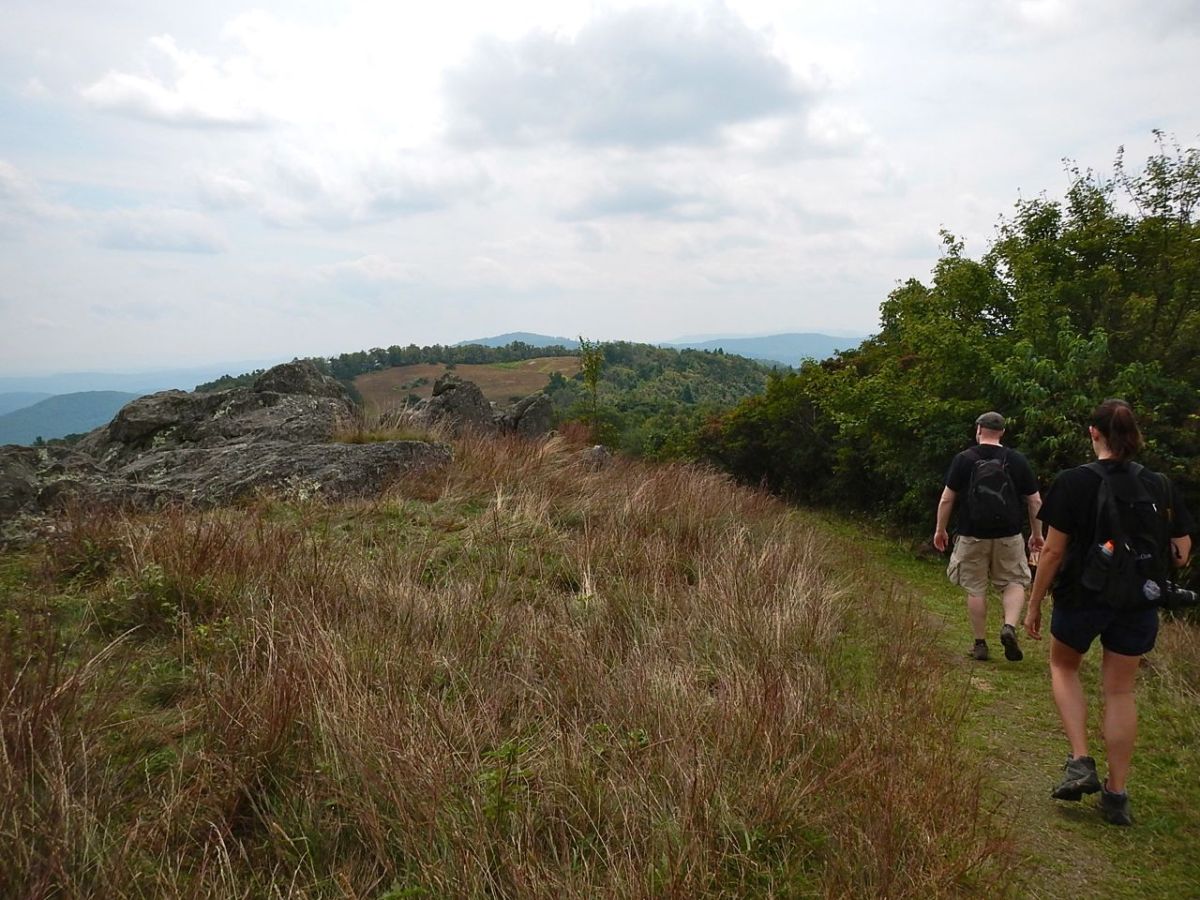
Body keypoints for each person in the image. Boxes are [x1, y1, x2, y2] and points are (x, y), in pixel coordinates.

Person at [1024, 399, 1193, 826]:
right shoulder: (1158, 484)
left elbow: (1054, 551)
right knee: (1120, 691)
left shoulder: (1073, 482)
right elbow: (1182, 551)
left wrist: (1034, 603)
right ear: (1134, 436)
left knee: (1064, 667)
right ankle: (1117, 794)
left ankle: (1081, 759)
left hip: (1083, 596)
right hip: (1137, 601)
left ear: (1092, 433)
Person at [934, 411, 1044, 661]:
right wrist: (1037, 535)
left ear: (978, 430)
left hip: (972, 534)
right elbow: (1035, 501)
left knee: (976, 588)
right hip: (1009, 535)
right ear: (1002, 432)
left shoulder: (964, 459)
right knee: (1014, 581)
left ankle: (980, 644)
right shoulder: (1016, 460)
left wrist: (940, 529)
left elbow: (947, 498)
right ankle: (1009, 626)